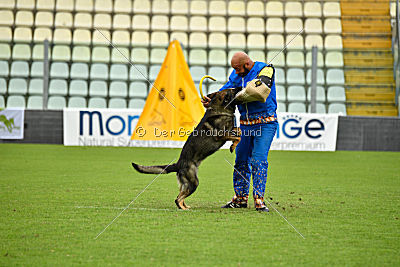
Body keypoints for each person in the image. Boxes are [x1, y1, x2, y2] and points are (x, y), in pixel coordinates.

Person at [201, 52, 278, 212]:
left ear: (247, 64)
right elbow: (225, 90)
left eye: (237, 68)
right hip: (245, 125)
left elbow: (258, 92)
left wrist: (233, 98)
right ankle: (240, 199)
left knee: (258, 161)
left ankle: (259, 200)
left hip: (266, 124)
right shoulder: (236, 75)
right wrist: (212, 99)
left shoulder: (265, 70)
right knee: (240, 161)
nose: (235, 72)